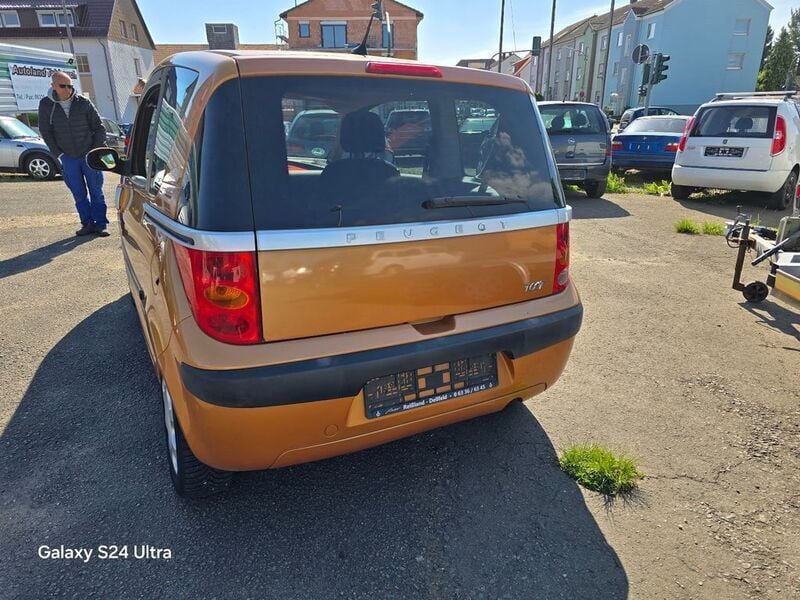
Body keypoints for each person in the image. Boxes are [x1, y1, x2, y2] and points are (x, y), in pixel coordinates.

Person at [38, 71, 109, 237]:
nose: (68, 89)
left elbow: (99, 127)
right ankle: (87, 224)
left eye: (70, 85)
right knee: (78, 193)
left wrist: (96, 150)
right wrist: (59, 155)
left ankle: (101, 224)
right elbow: (46, 132)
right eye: (63, 86)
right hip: (68, 156)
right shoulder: (46, 105)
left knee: (96, 191)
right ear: (53, 86)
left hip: (88, 154)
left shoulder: (83, 103)